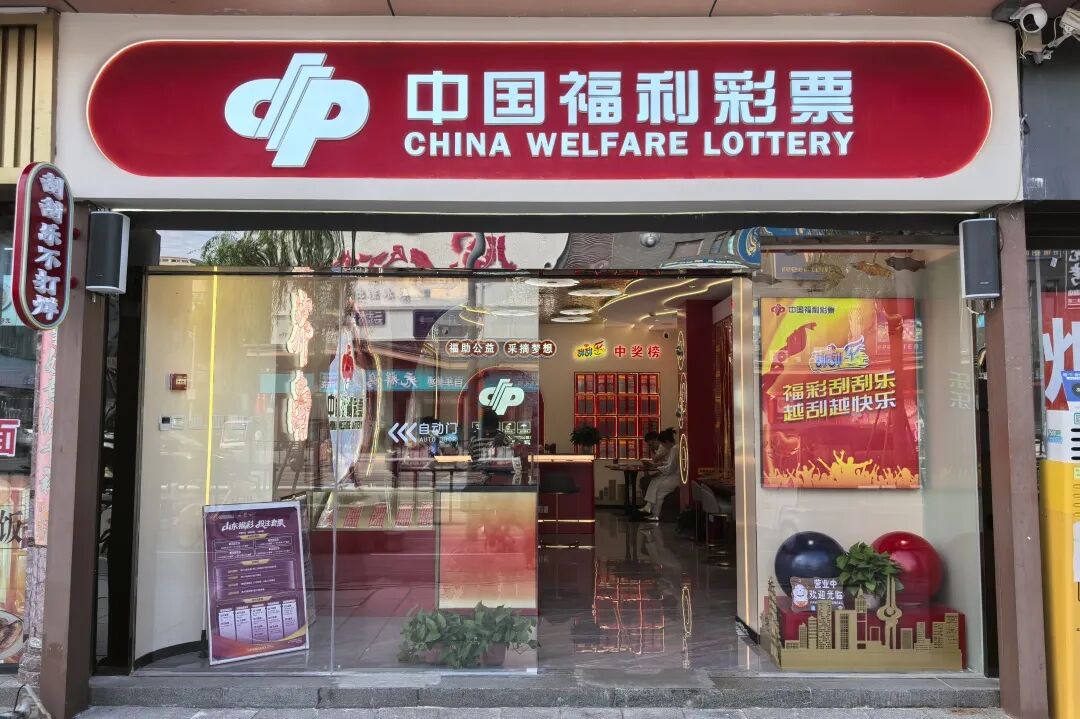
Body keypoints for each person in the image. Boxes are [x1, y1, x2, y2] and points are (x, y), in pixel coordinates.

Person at [641, 428, 679, 521]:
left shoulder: (675, 449)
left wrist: (658, 467)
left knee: (659, 492)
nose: (662, 446)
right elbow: (670, 464)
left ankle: (656, 515)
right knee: (654, 482)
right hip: (673, 475)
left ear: (666, 442)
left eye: (663, 444)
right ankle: (650, 508)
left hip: (675, 477)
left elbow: (670, 468)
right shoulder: (675, 448)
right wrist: (660, 465)